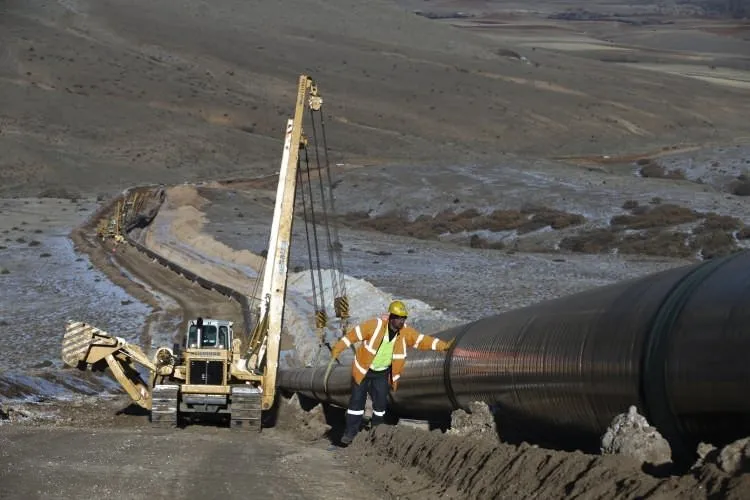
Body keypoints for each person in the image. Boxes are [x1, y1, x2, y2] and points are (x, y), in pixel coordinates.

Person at [326, 300, 454, 445]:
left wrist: (443, 346)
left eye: (404, 318)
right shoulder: (374, 326)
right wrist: (338, 348)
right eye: (399, 318)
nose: (401, 321)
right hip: (364, 371)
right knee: (356, 404)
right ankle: (349, 435)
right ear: (391, 317)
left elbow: (422, 340)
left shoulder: (405, 332)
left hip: (381, 373)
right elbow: (353, 335)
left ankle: (376, 432)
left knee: (380, 405)